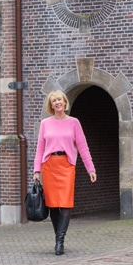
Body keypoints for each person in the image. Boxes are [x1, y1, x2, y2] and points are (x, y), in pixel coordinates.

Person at [33, 90, 96, 255]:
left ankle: (60, 241)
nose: (57, 103)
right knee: (53, 205)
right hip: (49, 166)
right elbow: (40, 148)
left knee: (65, 203)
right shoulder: (45, 123)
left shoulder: (74, 122)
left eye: (59, 99)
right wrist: (36, 170)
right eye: (53, 101)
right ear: (51, 105)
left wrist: (91, 168)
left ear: (65, 102)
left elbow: (83, 147)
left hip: (67, 166)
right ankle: (58, 239)